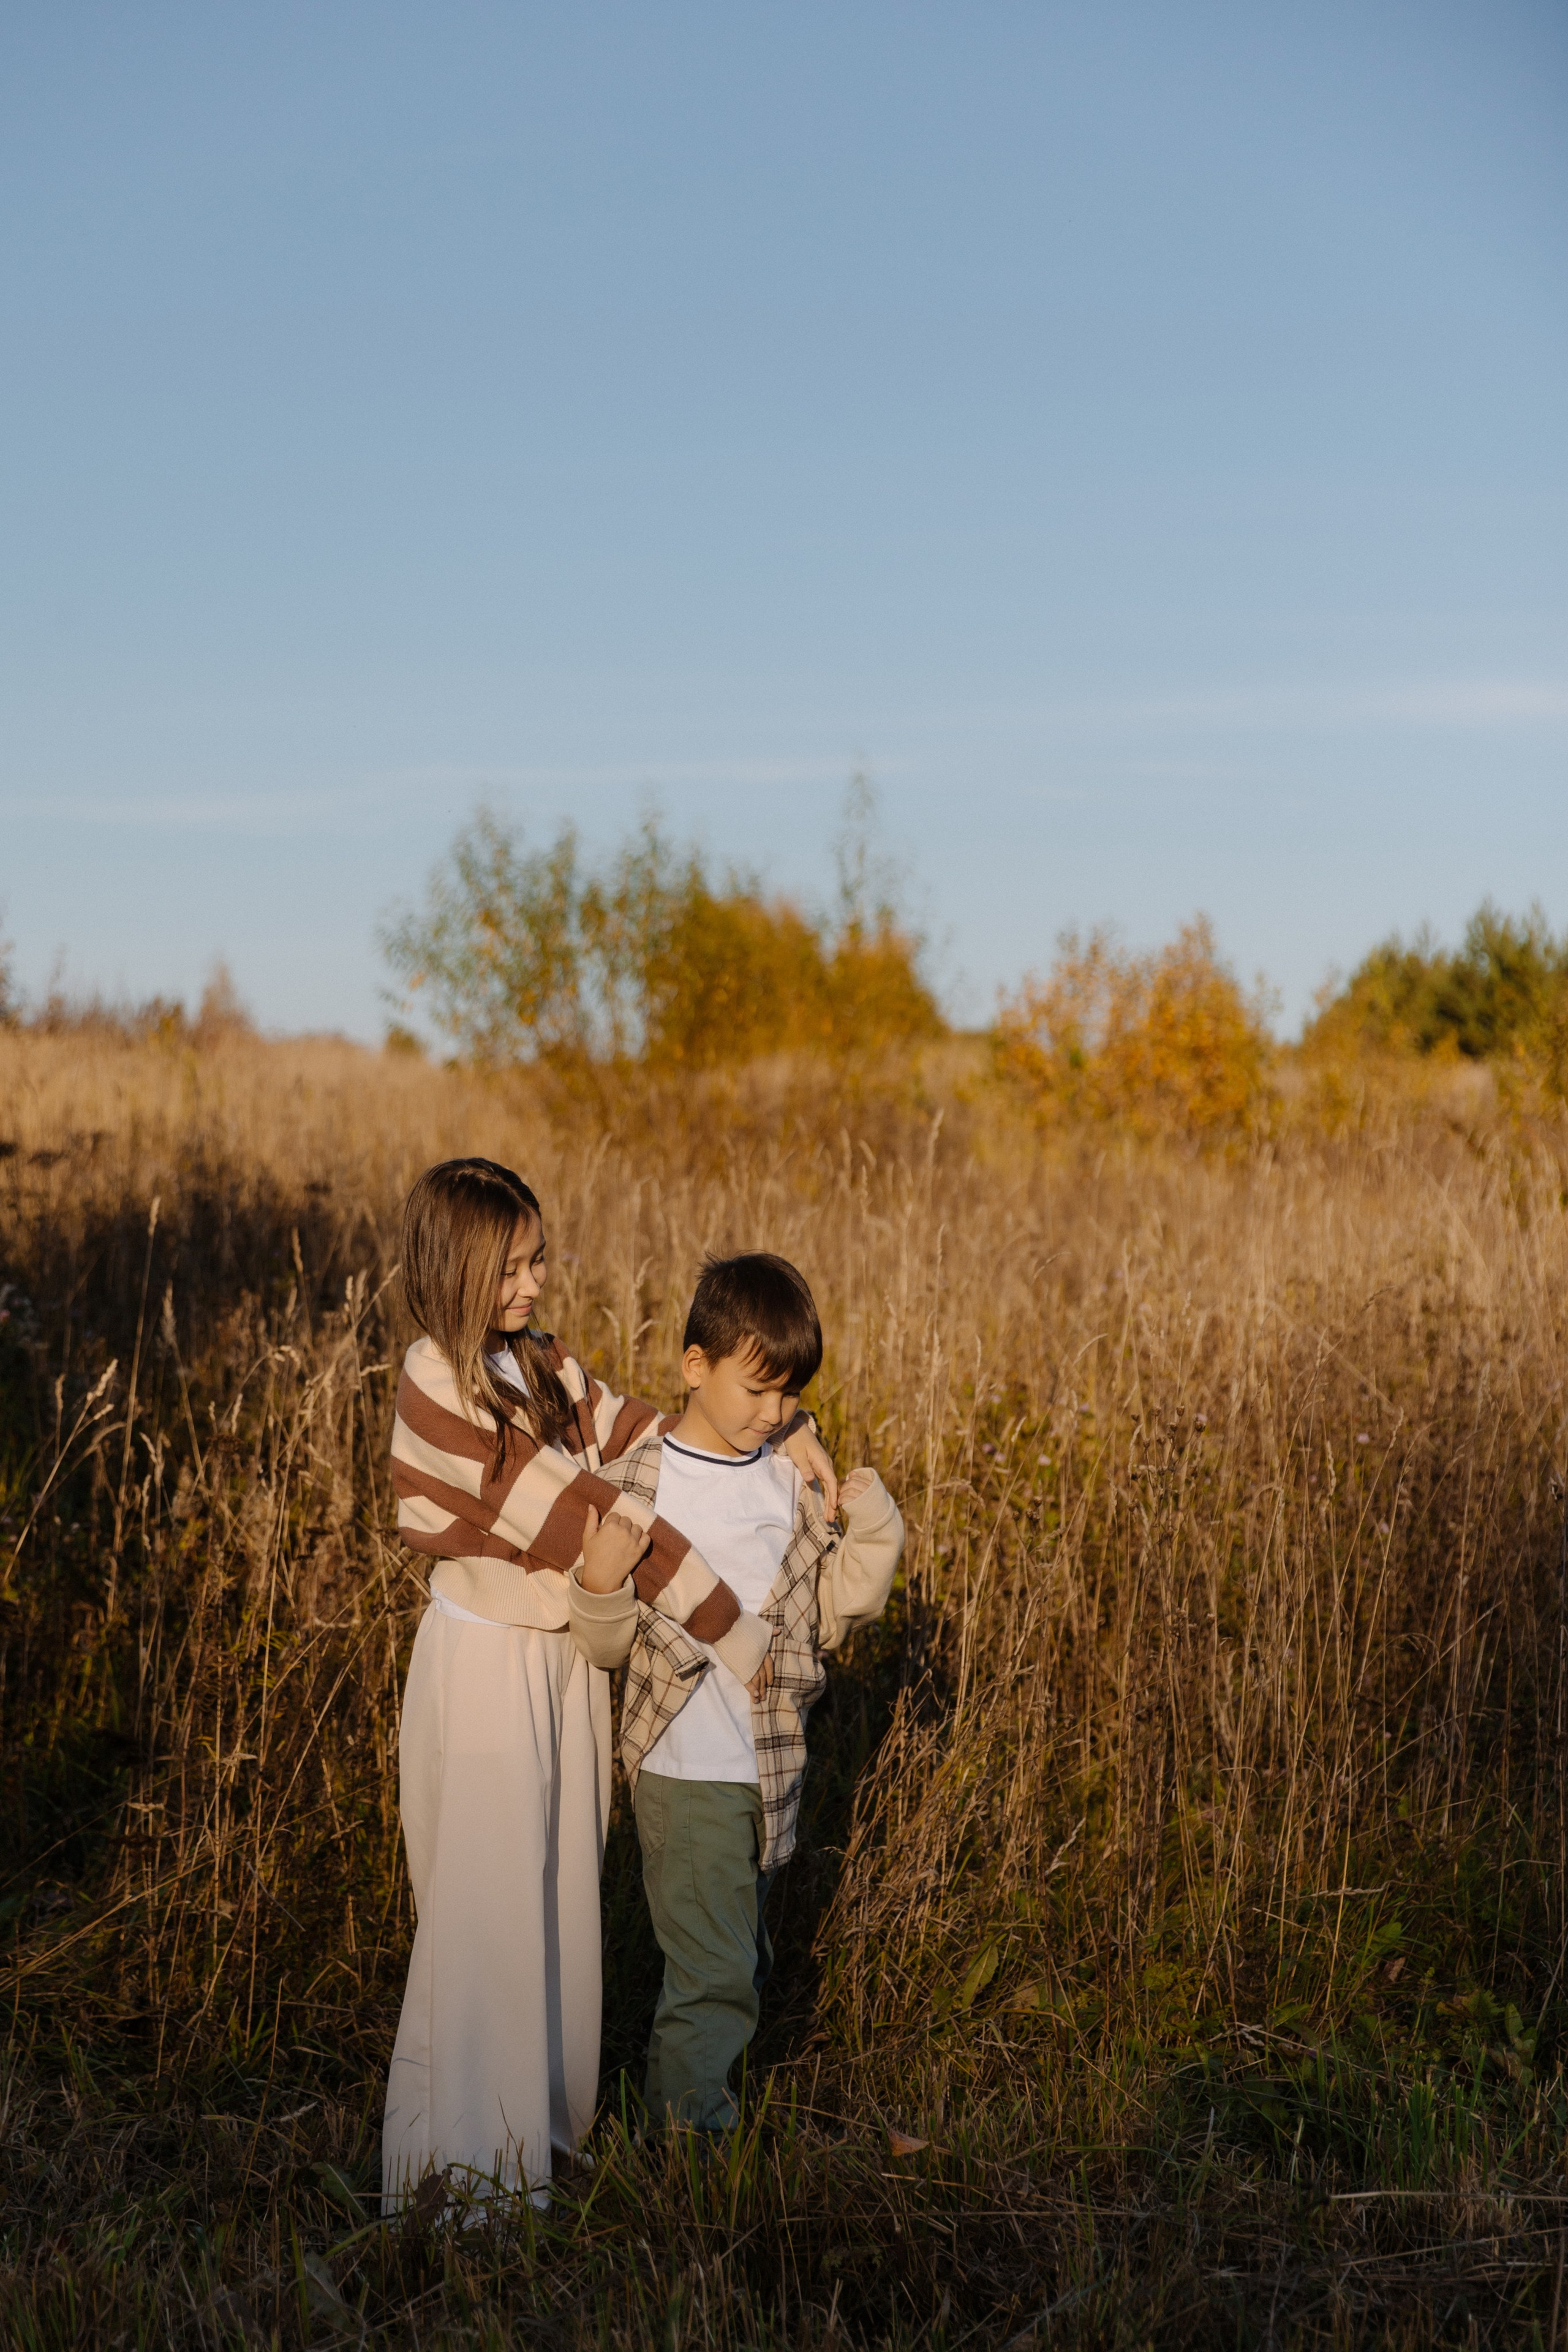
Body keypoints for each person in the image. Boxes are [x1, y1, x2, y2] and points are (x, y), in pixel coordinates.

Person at [381, 1161, 835, 2212]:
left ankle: (536, 2147)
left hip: (565, 1668)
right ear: (457, 1267)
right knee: (487, 1912)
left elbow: (650, 1435)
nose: (536, 1282)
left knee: (555, 1909)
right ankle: (466, 2179)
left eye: (539, 1259)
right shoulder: (435, 1383)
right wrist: (729, 1627)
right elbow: (592, 1515)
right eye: (513, 1266)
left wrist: (793, 1425)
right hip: (489, 1663)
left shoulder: (532, 1364)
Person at [568, 1251, 903, 2133]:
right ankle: (688, 2150)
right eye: (757, 1392)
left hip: (768, 1765)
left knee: (737, 1960)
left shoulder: (785, 1482)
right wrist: (600, 1587)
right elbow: (605, 1648)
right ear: (694, 1367)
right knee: (714, 1975)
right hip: (685, 1769)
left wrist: (872, 1530)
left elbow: (830, 1616)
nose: (776, 1415)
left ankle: (689, 2112)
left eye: (790, 1397)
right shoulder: (645, 1484)